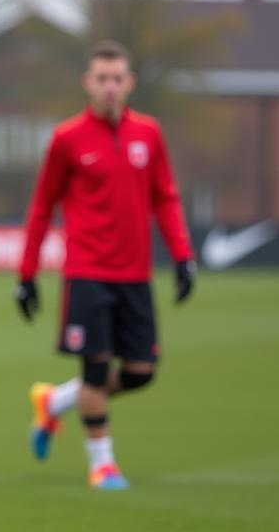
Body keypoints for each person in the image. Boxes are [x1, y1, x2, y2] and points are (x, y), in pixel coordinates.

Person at [14, 41, 195, 490]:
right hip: (87, 273)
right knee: (95, 371)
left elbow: (165, 198)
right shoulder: (67, 138)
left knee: (140, 372)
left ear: (130, 83)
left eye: (118, 78)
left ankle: (54, 402)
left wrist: (183, 256)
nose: (110, 87)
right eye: (102, 78)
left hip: (135, 274)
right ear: (88, 83)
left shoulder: (149, 134)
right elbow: (42, 208)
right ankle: (103, 465)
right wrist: (27, 274)